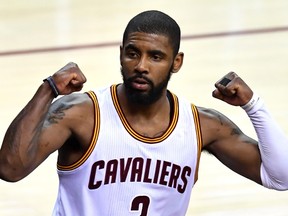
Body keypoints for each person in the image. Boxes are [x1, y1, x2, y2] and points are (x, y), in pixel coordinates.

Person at [0, 10, 287, 216]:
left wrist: (254, 106)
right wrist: (48, 89)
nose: (141, 66)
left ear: (176, 62)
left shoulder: (202, 125)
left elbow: (280, 177)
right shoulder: (81, 113)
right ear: (121, 53)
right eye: (133, 53)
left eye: (156, 57)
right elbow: (10, 168)